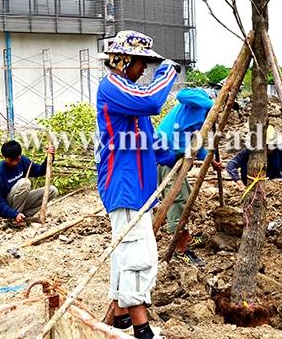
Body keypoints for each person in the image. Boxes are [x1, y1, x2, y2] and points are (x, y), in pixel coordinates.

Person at [95, 30, 178, 339]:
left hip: (136, 187)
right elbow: (153, 101)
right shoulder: (113, 85)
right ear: (125, 60)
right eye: (142, 62)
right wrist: (168, 70)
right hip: (125, 185)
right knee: (137, 256)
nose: (145, 69)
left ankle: (119, 319)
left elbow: (150, 138)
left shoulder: (128, 94)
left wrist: (176, 156)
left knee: (124, 253)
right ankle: (142, 329)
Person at [155, 87, 222, 266]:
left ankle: (187, 238)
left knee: (184, 195)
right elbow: (181, 94)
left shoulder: (202, 118)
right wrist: (213, 103)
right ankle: (179, 249)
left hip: (175, 157)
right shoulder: (199, 100)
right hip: (164, 155)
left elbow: (195, 143)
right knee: (176, 199)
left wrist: (210, 160)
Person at [0, 140, 58, 226]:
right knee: (25, 183)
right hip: (9, 206)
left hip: (20, 202)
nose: (15, 163)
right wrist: (14, 214)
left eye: (17, 159)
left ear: (20, 155)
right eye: (11, 160)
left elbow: (39, 171)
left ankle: (24, 217)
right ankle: (13, 220)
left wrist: (50, 157)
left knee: (52, 190)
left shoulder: (23, 161)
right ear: (4, 157)